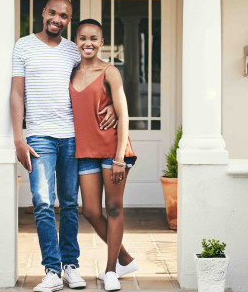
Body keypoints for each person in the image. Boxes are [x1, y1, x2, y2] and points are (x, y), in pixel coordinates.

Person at [10, 0, 117, 292]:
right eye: (53, 13)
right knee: (43, 201)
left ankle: (70, 266)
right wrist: (18, 136)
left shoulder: (73, 50)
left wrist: (112, 106)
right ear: (44, 13)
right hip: (38, 137)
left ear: (69, 20)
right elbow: (17, 93)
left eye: (65, 16)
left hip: (72, 136)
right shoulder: (23, 46)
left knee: (70, 203)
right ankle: (52, 271)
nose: (57, 19)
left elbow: (98, 77)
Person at [69, 19, 139, 291]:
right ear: (76, 41)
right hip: (85, 151)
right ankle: (124, 258)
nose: (88, 43)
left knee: (113, 208)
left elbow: (123, 115)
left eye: (94, 38)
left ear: (101, 42)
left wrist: (120, 157)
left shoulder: (110, 72)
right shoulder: (71, 72)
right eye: (83, 37)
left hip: (112, 151)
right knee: (90, 210)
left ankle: (111, 270)